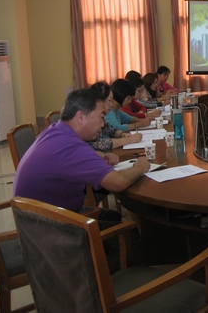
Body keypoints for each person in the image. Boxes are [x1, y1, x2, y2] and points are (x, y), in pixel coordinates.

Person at [12, 89, 150, 271]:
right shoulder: (71, 147)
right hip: (51, 234)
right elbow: (118, 183)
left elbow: (74, 156)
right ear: (81, 116)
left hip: (35, 222)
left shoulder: (57, 131)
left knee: (112, 217)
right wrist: (140, 167)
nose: (103, 124)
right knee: (129, 237)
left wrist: (99, 156)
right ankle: (104, 283)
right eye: (101, 117)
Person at [89, 81, 144, 152]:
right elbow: (99, 143)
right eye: (109, 100)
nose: (111, 104)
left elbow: (111, 130)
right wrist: (129, 140)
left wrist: (122, 134)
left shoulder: (101, 117)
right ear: (99, 100)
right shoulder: (90, 119)